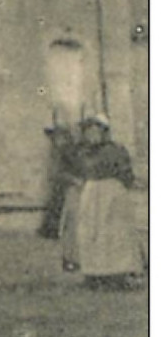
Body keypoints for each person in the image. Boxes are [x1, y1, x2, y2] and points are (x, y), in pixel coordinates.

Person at [61, 114, 143, 289]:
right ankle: (94, 274)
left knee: (114, 232)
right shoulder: (82, 152)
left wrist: (117, 187)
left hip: (112, 194)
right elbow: (70, 171)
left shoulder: (116, 150)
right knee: (90, 232)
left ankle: (117, 274)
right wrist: (79, 182)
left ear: (104, 132)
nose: (93, 136)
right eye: (89, 132)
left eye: (96, 131)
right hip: (91, 194)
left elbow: (126, 173)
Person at [38, 121, 81, 239]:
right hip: (58, 183)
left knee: (62, 206)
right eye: (56, 137)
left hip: (65, 183)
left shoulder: (69, 151)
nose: (58, 140)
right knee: (55, 204)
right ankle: (51, 229)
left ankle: (56, 229)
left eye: (61, 137)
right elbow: (53, 169)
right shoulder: (55, 151)